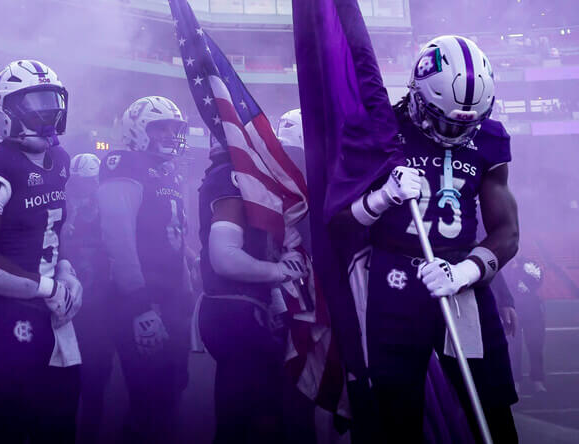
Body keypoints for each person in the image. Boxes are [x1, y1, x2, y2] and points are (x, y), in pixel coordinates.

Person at [341, 35, 519, 443]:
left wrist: (465, 273)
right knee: (396, 412)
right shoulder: (383, 128)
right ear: (418, 96)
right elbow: (339, 224)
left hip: (462, 283)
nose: (455, 130)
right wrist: (382, 197)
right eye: (444, 119)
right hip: (395, 280)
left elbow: (507, 232)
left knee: (492, 410)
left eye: (466, 122)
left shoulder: (489, 137)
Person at [0, 59, 82, 444]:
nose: (49, 111)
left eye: (52, 100)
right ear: (7, 109)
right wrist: (46, 287)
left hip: (53, 320)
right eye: (36, 102)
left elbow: (54, 232)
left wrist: (66, 273)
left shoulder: (59, 159)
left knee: (58, 427)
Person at [194, 135, 308, 442]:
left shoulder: (250, 180)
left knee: (250, 413)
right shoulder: (231, 176)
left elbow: (265, 240)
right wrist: (279, 271)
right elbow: (226, 258)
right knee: (253, 420)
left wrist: (288, 253)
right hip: (237, 312)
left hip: (243, 309)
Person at [98, 96, 193, 443]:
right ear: (138, 129)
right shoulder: (123, 164)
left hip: (170, 295)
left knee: (173, 385)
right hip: (140, 297)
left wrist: (189, 262)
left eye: (174, 128)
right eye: (161, 127)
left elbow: (169, 231)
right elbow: (118, 237)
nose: (170, 134)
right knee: (148, 396)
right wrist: (139, 305)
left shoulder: (166, 170)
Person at [60, 152, 114, 442]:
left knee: (96, 372)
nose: (85, 188)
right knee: (66, 374)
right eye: (79, 183)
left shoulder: (105, 206)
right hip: (67, 298)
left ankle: (90, 430)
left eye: (89, 182)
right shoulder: (63, 205)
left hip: (99, 299)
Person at [506, 255, 546, 393]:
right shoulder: (504, 263)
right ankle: (516, 380)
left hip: (533, 310)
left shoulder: (530, 262)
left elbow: (539, 279)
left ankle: (537, 379)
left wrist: (524, 282)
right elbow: (505, 283)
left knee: (535, 345)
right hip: (513, 310)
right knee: (514, 348)